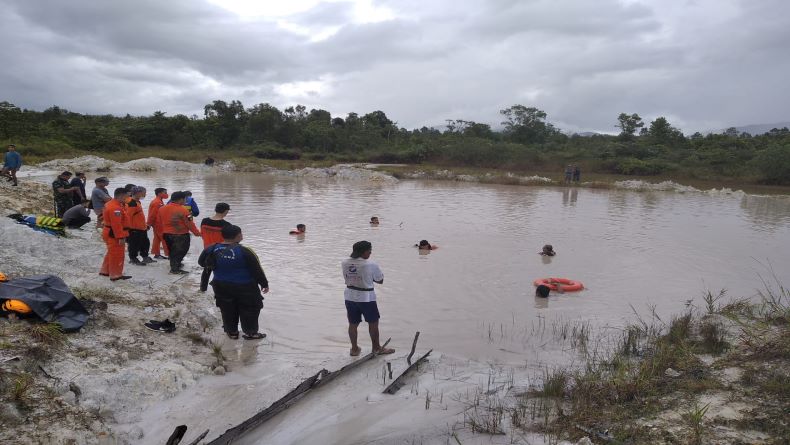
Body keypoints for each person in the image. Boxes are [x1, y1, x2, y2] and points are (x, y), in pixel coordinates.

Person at [198, 225, 269, 340]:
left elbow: (202, 263)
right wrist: (264, 284)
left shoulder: (211, 248)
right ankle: (251, 333)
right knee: (250, 309)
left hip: (221, 286)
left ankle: (232, 332)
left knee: (227, 308)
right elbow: (257, 269)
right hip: (246, 287)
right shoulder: (245, 251)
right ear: (238, 236)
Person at [342, 241, 395, 356]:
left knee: (353, 323)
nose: (370, 253)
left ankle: (354, 349)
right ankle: (376, 348)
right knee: (373, 322)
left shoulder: (344, 262)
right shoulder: (370, 264)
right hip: (366, 297)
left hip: (349, 295)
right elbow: (380, 280)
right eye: (369, 250)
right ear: (364, 252)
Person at [160, 191, 201, 274]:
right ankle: (175, 269)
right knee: (180, 251)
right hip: (180, 235)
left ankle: (175, 265)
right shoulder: (184, 210)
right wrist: (197, 233)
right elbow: (190, 224)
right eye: (185, 199)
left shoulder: (162, 208)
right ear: (181, 199)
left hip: (166, 234)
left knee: (172, 251)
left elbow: (160, 221)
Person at [100, 188, 132, 281]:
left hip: (109, 231)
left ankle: (105, 271)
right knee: (117, 254)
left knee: (111, 252)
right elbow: (116, 225)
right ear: (121, 196)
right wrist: (121, 237)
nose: (128, 198)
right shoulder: (115, 208)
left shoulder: (110, 204)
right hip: (113, 233)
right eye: (127, 196)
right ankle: (116, 275)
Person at [126, 186, 154, 266]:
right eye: (144, 193)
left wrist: (145, 225)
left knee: (145, 243)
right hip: (134, 229)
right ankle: (133, 259)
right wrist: (128, 229)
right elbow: (128, 217)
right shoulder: (131, 203)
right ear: (138, 193)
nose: (145, 194)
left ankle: (145, 257)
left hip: (142, 227)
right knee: (134, 245)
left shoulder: (137, 202)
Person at [148, 187, 169, 259]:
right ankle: (169, 254)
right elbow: (152, 215)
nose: (166, 194)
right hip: (158, 224)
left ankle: (156, 253)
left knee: (157, 238)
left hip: (157, 223)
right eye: (165, 193)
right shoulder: (157, 202)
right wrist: (148, 224)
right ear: (159, 193)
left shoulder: (158, 201)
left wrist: (149, 224)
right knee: (164, 238)